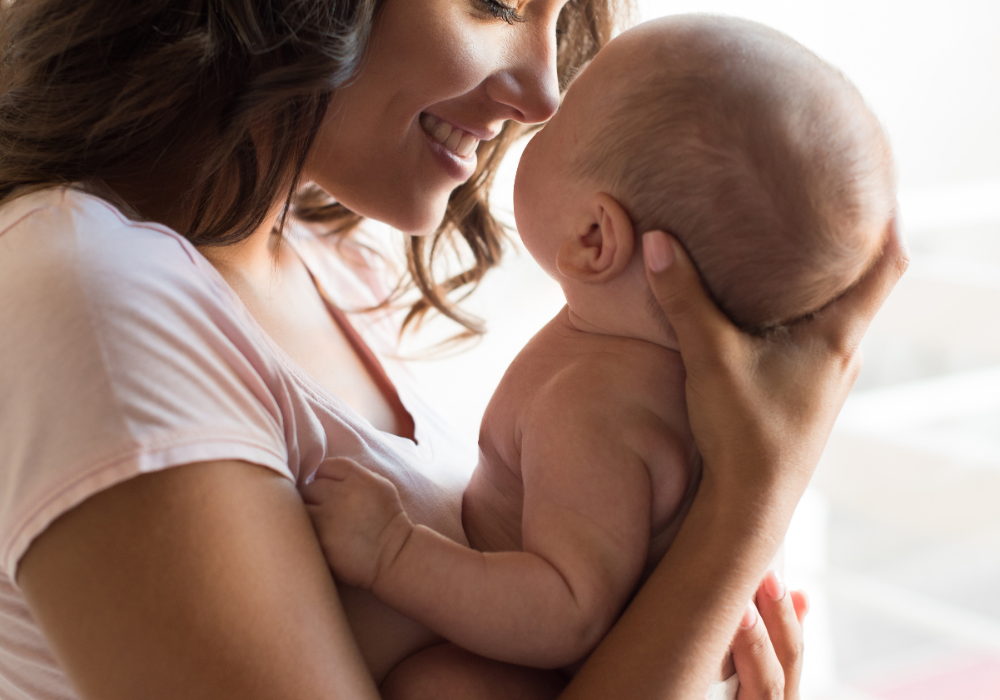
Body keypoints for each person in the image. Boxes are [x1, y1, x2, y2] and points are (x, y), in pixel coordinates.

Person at [0, 2, 907, 700]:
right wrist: (749, 506)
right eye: (497, 4)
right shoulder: (91, 291)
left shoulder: (335, 260)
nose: (548, 95)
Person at [302, 14, 894, 700]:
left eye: (564, 119)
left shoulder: (597, 404)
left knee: (439, 686)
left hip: (569, 670)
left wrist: (394, 551)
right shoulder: (654, 379)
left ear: (592, 237)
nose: (542, 105)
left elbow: (566, 610)